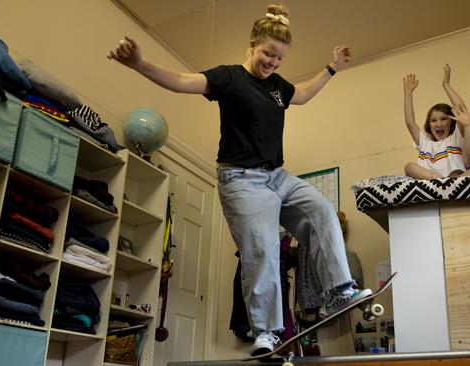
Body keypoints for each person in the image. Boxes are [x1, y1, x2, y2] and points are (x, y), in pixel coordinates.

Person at [108, 3, 371, 356]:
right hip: (240, 180)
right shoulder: (229, 77)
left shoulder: (277, 86)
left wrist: (332, 68)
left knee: (321, 209)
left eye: (279, 59)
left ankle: (339, 290)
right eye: (268, 54)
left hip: (277, 175)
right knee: (261, 247)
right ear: (252, 44)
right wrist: (139, 64)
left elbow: (303, 94)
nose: (273, 63)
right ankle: (267, 332)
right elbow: (185, 82)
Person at [402, 64, 470, 179]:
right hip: (433, 181)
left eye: (443, 119)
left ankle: (450, 183)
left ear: (452, 121)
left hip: (458, 179)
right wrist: (408, 94)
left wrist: (446, 85)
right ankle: (442, 182)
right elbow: (410, 122)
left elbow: (461, 110)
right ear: (429, 124)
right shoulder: (424, 142)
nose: (438, 124)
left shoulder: (455, 137)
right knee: (409, 167)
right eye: (433, 120)